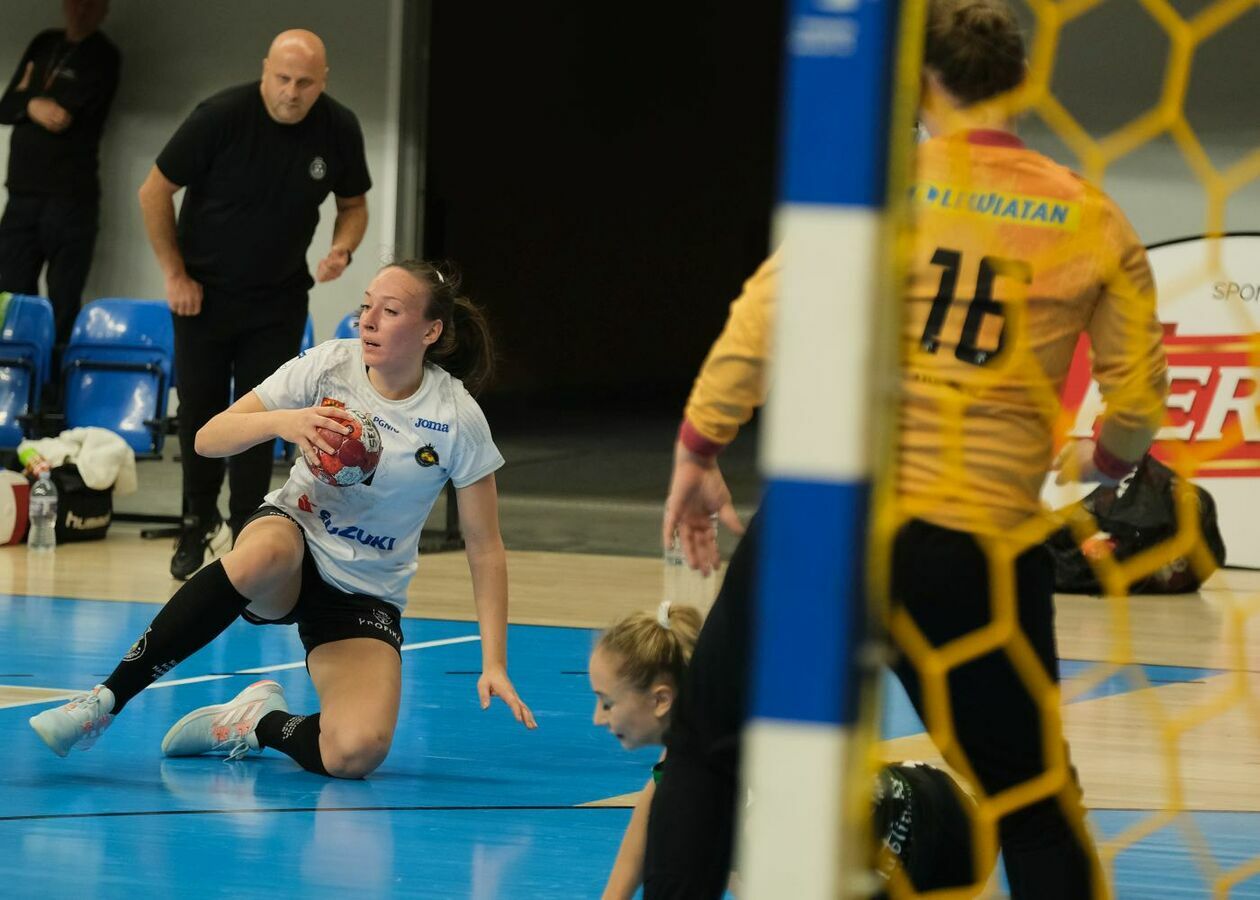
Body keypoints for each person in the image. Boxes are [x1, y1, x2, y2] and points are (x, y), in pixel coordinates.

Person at [655, 1, 1169, 896]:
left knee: (708, 748)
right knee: (1033, 800)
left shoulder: (869, 188)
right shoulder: (1092, 218)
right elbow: (1137, 400)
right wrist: (1112, 466)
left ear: (919, 81)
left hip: (829, 523)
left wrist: (700, 447)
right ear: (1015, 82)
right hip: (974, 546)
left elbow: (759, 323)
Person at [29, 260, 537, 779]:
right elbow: (207, 438)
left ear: (431, 331)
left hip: (364, 591)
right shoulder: (328, 366)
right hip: (294, 538)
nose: (368, 321)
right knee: (266, 553)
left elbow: (485, 547)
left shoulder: (456, 416)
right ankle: (104, 701)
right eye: (365, 307)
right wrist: (287, 422)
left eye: (389, 311)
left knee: (356, 752)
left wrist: (494, 660)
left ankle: (256, 723)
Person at [138, 28, 371, 580]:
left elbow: (354, 204)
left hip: (279, 296)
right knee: (201, 409)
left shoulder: (338, 127)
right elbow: (153, 191)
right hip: (204, 296)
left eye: (305, 83)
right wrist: (174, 274)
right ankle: (195, 521)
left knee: (265, 413)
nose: (292, 92)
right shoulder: (219, 116)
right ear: (265, 70)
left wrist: (343, 247)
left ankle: (248, 523)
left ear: (323, 83)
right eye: (282, 78)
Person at [590, 602, 979, 899]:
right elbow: (652, 804)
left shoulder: (748, 795)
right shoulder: (697, 736)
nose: (597, 718)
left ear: (661, 700)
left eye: (606, 702)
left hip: (945, 844)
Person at [0, 0, 119, 365]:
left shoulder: (102, 56)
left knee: (62, 300)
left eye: (90, 4)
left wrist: (29, 98)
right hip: (22, 195)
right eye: (75, 2)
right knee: (11, 293)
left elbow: (61, 116)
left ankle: (53, 393)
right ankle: (13, 376)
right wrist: (31, 103)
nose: (80, 10)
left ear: (103, 9)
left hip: (69, 201)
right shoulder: (44, 42)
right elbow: (7, 106)